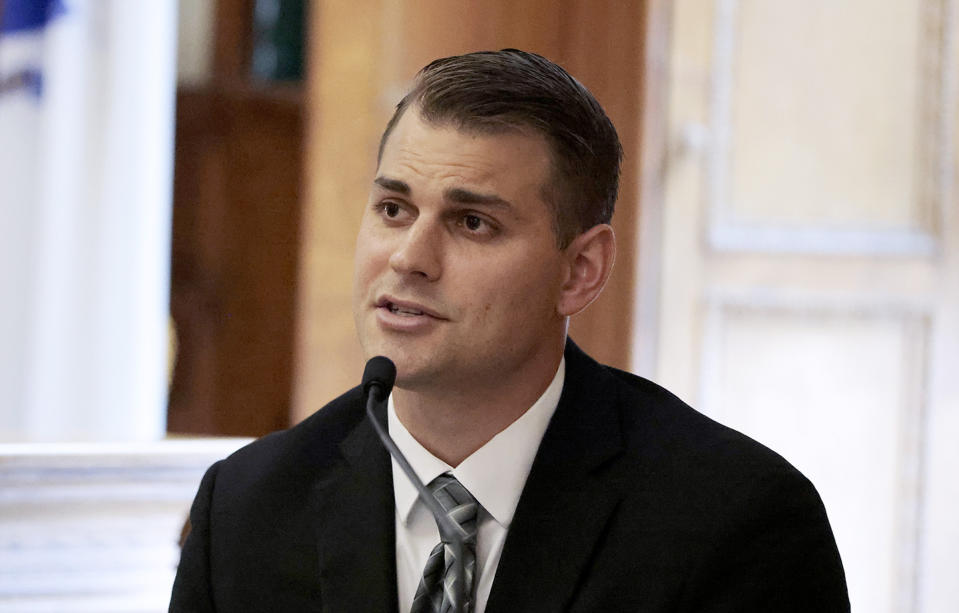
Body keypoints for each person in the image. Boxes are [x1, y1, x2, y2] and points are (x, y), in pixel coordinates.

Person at [170, 49, 849, 612]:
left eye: (472, 223)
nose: (409, 256)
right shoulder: (247, 507)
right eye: (393, 207)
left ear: (579, 270)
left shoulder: (735, 523)